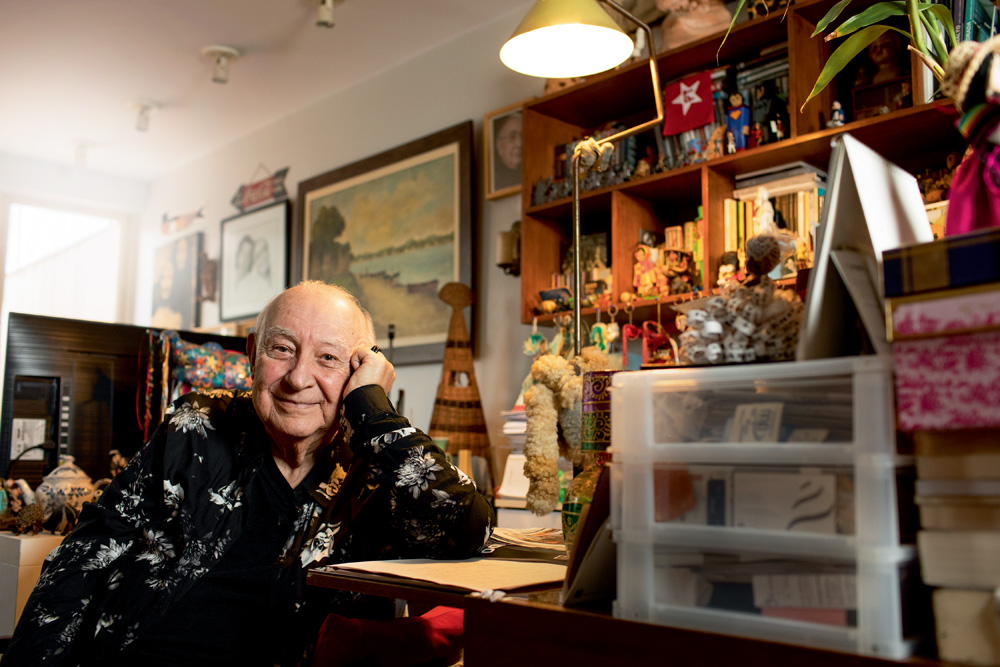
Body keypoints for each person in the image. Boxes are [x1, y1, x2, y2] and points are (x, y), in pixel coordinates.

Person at [3, 281, 495, 666]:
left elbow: (469, 530)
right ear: (253, 353)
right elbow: (80, 562)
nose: (299, 378)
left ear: (362, 372)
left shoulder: (376, 459)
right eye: (282, 349)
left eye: (328, 358)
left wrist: (374, 412)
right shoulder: (196, 425)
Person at [491, 112, 522, 192]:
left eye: (523, 136)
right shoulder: (496, 181)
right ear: (500, 146)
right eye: (512, 137)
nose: (519, 143)